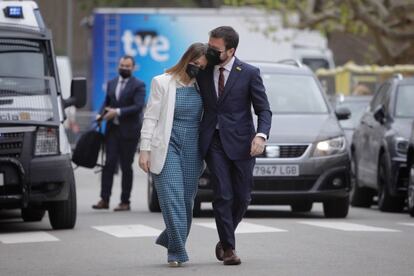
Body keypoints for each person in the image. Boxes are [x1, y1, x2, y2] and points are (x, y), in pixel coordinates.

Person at [197, 26, 272, 265]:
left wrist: (261, 136)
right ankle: (229, 248)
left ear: (231, 50)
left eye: (215, 49)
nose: (210, 52)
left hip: (243, 143)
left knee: (242, 197)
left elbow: (264, 109)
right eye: (209, 46)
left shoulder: (249, 72)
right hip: (213, 141)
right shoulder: (203, 69)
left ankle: (225, 236)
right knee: (223, 194)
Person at [138, 43, 208, 267]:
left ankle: (169, 238)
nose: (197, 68)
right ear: (187, 59)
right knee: (171, 198)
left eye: (202, 66)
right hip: (166, 146)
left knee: (186, 201)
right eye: (195, 63)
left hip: (193, 148)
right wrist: (144, 150)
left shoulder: (204, 86)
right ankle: (177, 252)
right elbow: (151, 118)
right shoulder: (162, 82)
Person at [92, 55, 146, 211]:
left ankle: (125, 201)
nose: (124, 68)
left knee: (126, 166)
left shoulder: (139, 85)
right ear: (118, 66)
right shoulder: (112, 83)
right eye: (122, 65)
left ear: (133, 68)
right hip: (112, 131)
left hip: (129, 132)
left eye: (128, 66)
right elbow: (107, 102)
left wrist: (117, 112)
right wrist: (101, 114)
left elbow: (138, 106)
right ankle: (104, 199)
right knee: (108, 164)